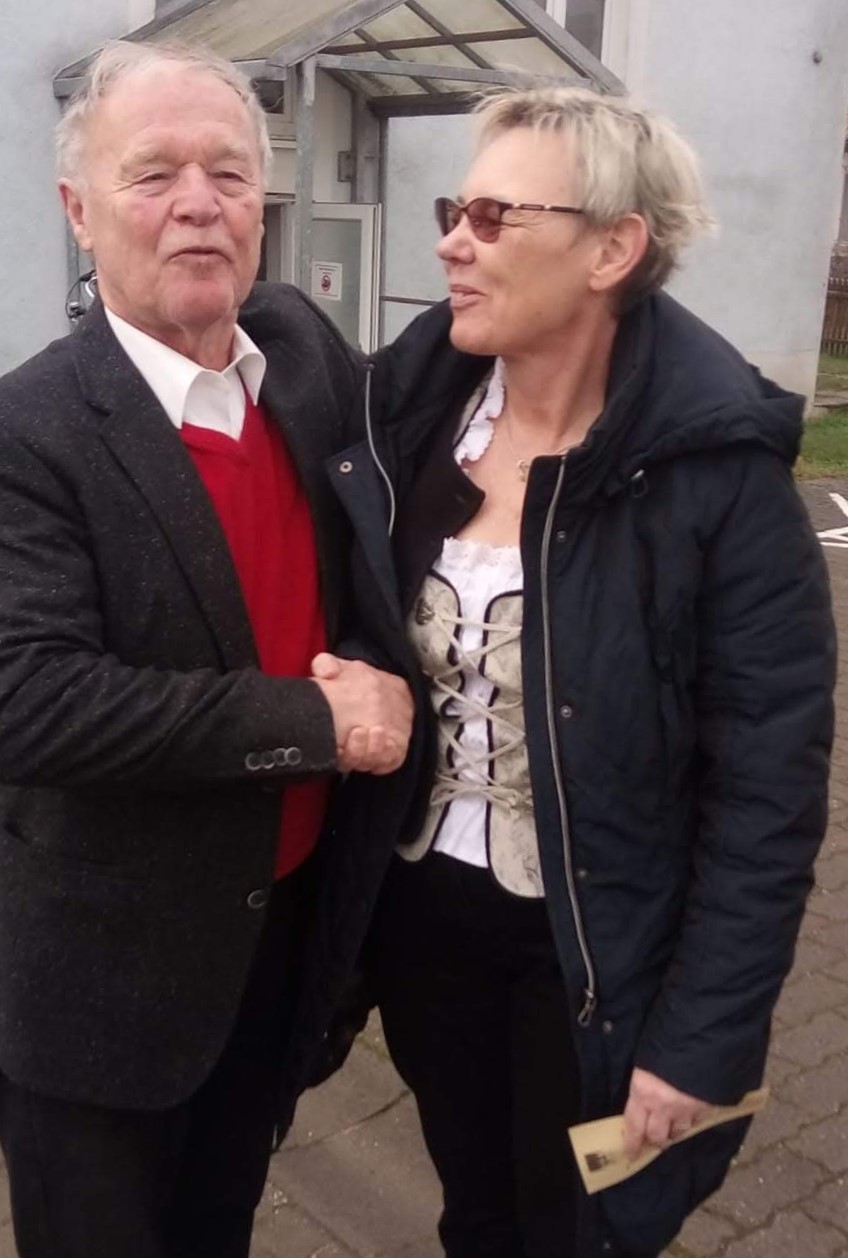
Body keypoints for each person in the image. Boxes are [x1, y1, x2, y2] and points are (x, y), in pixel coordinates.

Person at [309, 87, 835, 1258]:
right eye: (454, 210)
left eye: (493, 216)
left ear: (611, 249)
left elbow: (765, 791)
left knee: (577, 1233)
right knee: (474, 1210)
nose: (451, 241)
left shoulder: (713, 475)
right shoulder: (411, 421)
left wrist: (702, 1037)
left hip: (596, 948)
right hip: (422, 920)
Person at [0, 40, 413, 1258]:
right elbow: (29, 706)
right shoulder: (12, 439)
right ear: (76, 211)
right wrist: (319, 722)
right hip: (99, 996)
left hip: (272, 948)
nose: (199, 202)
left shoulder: (301, 364)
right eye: (152, 174)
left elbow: (449, 396)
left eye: (229, 173)